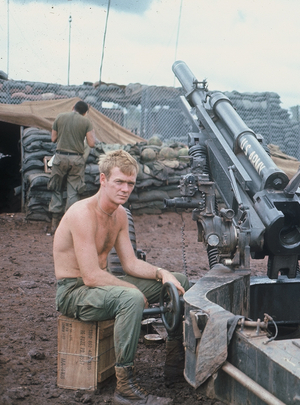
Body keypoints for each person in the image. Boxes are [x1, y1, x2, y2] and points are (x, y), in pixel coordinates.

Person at [53, 149, 189, 404]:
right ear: (102, 180)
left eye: (130, 183)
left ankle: (174, 364)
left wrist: (163, 273)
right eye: (119, 182)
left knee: (179, 281)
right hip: (74, 292)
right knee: (131, 298)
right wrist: (134, 293)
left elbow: (130, 264)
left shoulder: (119, 215)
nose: (125, 189)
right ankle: (124, 387)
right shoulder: (81, 214)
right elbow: (91, 276)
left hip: (98, 285)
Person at [48, 100, 96, 233]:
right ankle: (68, 225)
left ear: (73, 107)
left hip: (60, 158)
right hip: (76, 159)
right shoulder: (86, 122)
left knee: (56, 188)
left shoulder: (60, 117)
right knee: (73, 191)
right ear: (85, 112)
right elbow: (91, 144)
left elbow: (53, 139)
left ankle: (54, 224)